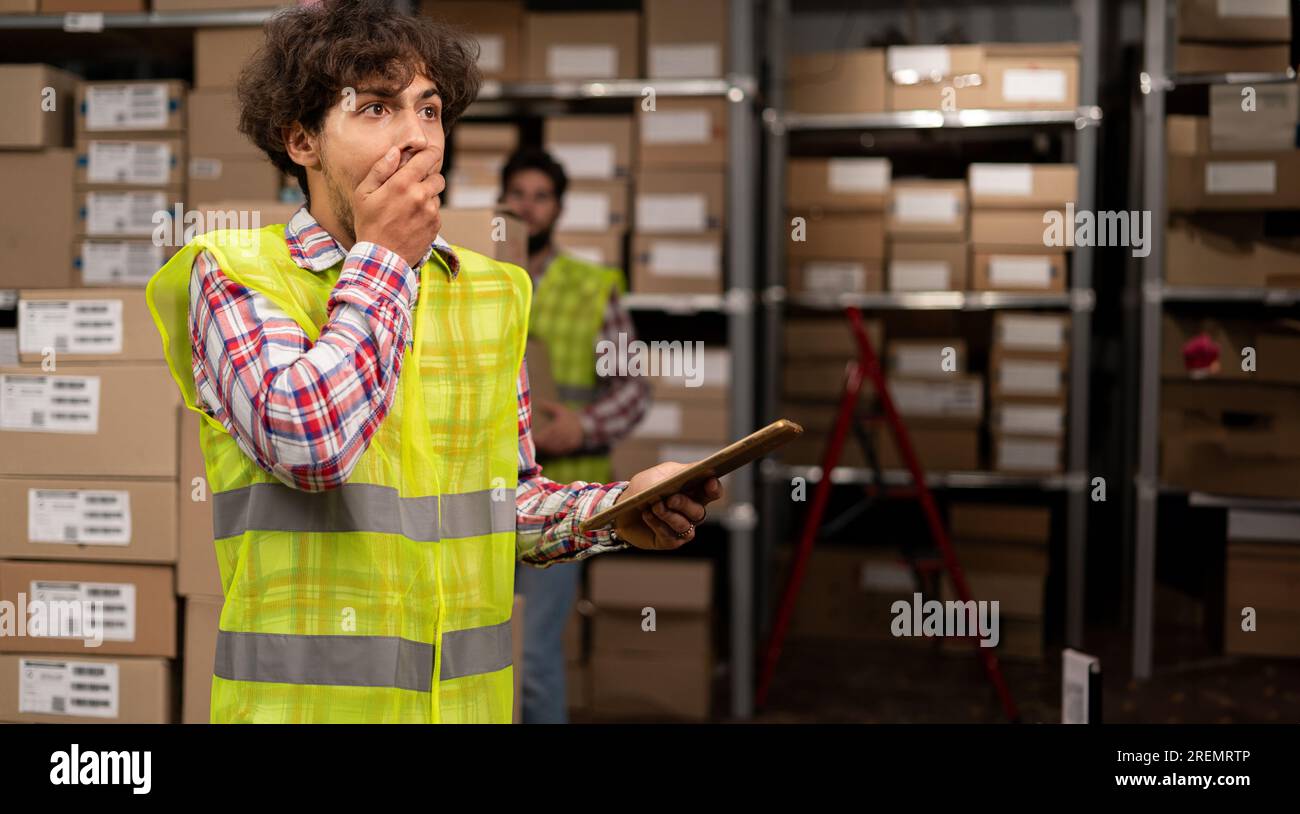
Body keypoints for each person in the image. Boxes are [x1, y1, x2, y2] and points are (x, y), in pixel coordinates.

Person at [144, 0, 721, 723]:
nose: (417, 139)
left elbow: (498, 508)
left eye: (430, 110)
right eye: (378, 110)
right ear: (301, 141)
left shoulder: (488, 291)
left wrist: (617, 508)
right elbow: (307, 444)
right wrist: (384, 260)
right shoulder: (233, 275)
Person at [499, 148, 652, 723]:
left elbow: (633, 390)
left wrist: (581, 427)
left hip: (563, 496)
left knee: (534, 659)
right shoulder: (475, 273)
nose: (528, 207)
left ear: (559, 208)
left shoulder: (592, 287)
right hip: (481, 497)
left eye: (541, 196)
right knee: (484, 657)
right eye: (518, 193)